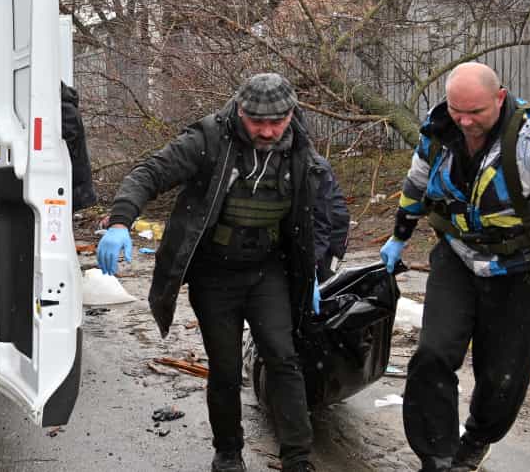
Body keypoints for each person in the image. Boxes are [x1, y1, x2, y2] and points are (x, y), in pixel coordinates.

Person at [380, 62, 530, 472]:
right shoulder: (439, 129)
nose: (465, 122)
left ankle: (476, 439)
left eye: (476, 112)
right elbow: (417, 182)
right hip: (458, 256)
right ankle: (437, 458)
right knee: (432, 355)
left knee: (503, 377)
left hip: (520, 268)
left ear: (500, 97)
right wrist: (400, 234)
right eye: (457, 110)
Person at [97, 73, 322, 472]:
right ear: (240, 110)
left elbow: (321, 209)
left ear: (291, 114)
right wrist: (119, 222)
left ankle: (297, 458)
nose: (267, 131)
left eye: (277, 122)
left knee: (283, 357)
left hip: (267, 269)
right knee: (225, 367)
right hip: (214, 273)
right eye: (257, 122)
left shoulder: (300, 148)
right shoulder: (210, 138)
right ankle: (229, 452)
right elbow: (150, 173)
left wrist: (316, 267)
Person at [312, 154, 350, 281]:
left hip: (334, 233)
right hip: (327, 227)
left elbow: (323, 217)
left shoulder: (314, 166)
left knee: (326, 280)